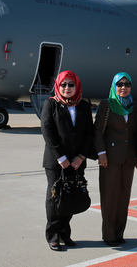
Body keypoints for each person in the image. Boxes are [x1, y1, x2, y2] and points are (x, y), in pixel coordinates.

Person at [41, 70, 94, 252]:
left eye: (71, 84)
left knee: (71, 196)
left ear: (77, 86)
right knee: (56, 197)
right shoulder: (51, 104)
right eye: (63, 84)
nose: (67, 88)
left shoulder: (84, 106)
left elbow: (89, 134)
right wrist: (61, 157)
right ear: (58, 86)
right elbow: (48, 132)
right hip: (56, 162)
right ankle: (53, 234)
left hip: (77, 161)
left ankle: (65, 233)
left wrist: (81, 156)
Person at [93, 72, 137, 247]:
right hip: (110, 158)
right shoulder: (107, 105)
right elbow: (98, 130)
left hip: (128, 158)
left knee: (123, 197)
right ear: (114, 86)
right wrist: (101, 153)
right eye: (119, 84)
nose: (123, 87)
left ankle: (119, 233)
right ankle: (109, 235)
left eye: (127, 84)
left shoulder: (134, 106)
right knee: (110, 197)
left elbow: (136, 133)